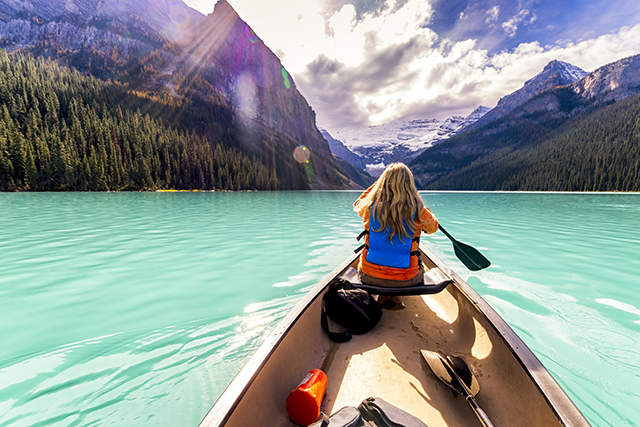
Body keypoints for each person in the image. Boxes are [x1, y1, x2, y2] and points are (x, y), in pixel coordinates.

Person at [353, 163, 438, 287]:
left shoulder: (369, 207)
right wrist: (428, 213)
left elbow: (357, 204)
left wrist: (379, 183)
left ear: (383, 181)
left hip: (369, 276)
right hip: (407, 279)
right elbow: (432, 229)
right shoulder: (419, 210)